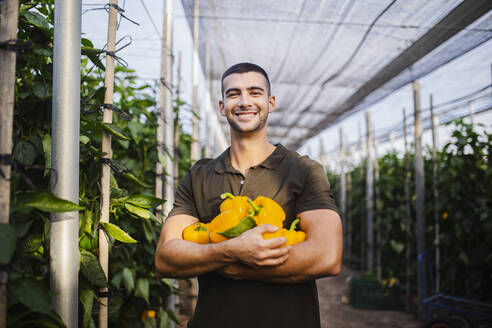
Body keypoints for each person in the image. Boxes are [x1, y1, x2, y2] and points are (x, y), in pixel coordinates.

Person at [155, 62, 343, 328]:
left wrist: (234, 264)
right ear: (222, 107)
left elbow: (326, 256)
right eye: (233, 94)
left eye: (255, 92)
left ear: (271, 102)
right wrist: (230, 251)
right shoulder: (199, 175)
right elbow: (165, 257)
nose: (244, 101)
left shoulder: (303, 170)